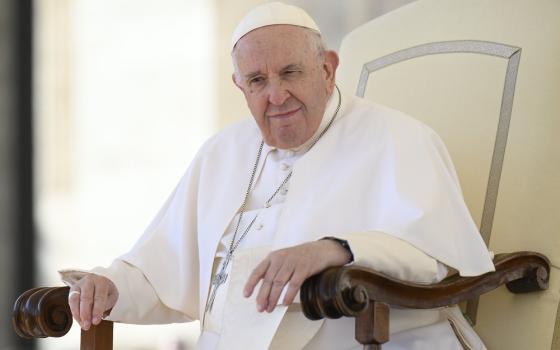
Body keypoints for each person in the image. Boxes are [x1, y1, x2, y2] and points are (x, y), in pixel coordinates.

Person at [60, 2, 495, 349]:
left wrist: (337, 249)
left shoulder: (398, 138)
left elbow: (435, 256)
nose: (276, 95)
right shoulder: (221, 154)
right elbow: (162, 270)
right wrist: (111, 286)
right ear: (239, 86)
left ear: (327, 69)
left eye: (290, 72)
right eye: (257, 80)